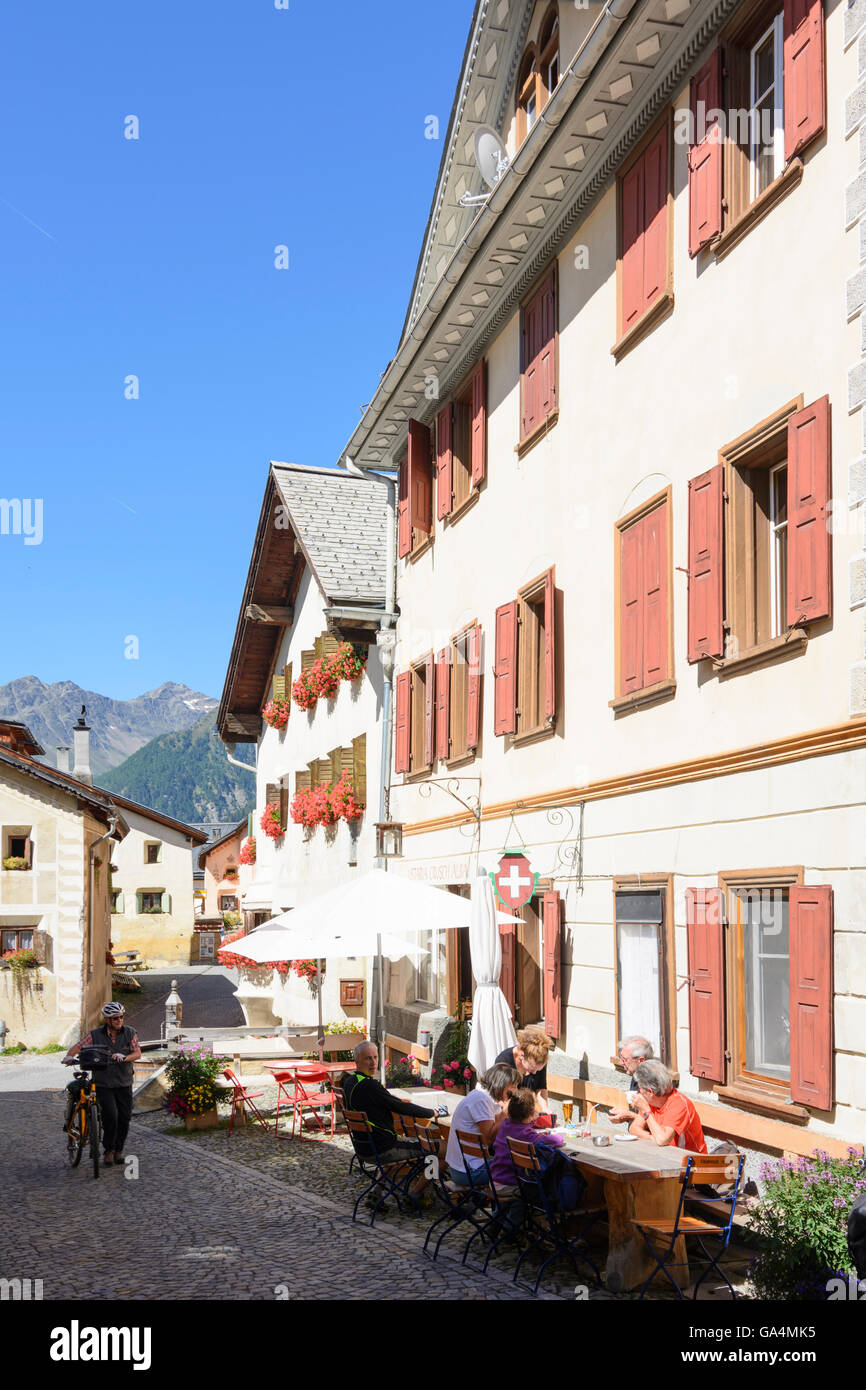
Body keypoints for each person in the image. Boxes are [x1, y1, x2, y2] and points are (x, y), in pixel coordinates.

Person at [62, 1002, 142, 1167]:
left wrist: (125, 1057)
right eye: (115, 1018)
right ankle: (108, 1151)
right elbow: (77, 1047)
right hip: (103, 1082)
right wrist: (69, 1056)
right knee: (110, 1116)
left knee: (124, 1118)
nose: (119, 1020)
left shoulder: (130, 1033)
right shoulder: (95, 1035)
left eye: (121, 1017)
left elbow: (137, 1053)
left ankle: (119, 1150)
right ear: (107, 1020)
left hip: (124, 1081)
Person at [340, 1040, 441, 1164]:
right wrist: (431, 1112)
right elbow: (399, 1106)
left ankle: (382, 1181)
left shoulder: (350, 1081)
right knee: (443, 1147)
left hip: (364, 1149)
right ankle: (430, 1182)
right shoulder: (369, 1086)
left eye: (375, 1057)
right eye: (368, 1058)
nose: (373, 1063)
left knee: (417, 1141)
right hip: (385, 1150)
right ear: (357, 1061)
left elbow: (387, 1102)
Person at [446, 1063, 520, 1188]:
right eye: (513, 1086)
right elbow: (489, 1139)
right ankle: (505, 1206)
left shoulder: (481, 1097)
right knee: (524, 1170)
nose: (516, 1091)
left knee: (515, 1164)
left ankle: (498, 1204)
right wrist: (505, 1112)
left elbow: (497, 1125)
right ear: (501, 1085)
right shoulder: (481, 1100)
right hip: (469, 1171)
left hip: (463, 1167)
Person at [490, 1087, 566, 1190]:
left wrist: (534, 1127)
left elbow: (521, 1131)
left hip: (495, 1178)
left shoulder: (505, 1124)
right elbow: (558, 1140)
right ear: (530, 1113)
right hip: (510, 1183)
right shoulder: (527, 1135)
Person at [628, 1059, 707, 1153]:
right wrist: (652, 1138)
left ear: (650, 1092)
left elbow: (662, 1140)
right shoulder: (651, 1102)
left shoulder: (679, 1104)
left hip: (691, 1163)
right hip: (667, 1156)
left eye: (640, 1088)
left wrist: (646, 1110)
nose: (639, 1092)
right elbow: (634, 1129)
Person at [495, 1028, 552, 1115]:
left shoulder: (539, 1059)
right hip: (509, 1114)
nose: (534, 1073)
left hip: (528, 1114)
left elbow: (540, 1089)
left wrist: (545, 1110)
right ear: (522, 1055)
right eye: (532, 1068)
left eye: (538, 1069)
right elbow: (499, 1097)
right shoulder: (504, 1061)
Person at [607, 1035, 654, 1124]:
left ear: (641, 1060)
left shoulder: (654, 1084)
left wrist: (629, 1115)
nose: (621, 1063)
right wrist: (623, 1114)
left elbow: (656, 1124)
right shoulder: (636, 1076)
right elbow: (639, 1115)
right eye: (621, 1058)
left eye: (624, 1059)